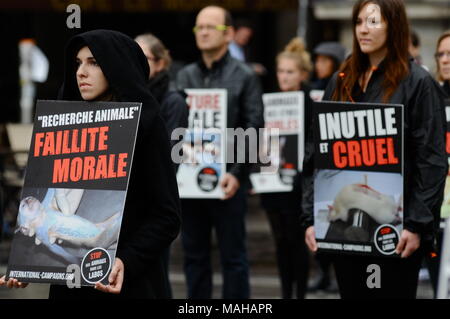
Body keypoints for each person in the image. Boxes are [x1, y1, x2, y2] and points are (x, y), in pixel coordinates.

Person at [0, 29, 181, 298]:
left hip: (126, 284)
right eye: (78, 63)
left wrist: (126, 260)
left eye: (94, 63)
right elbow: (46, 201)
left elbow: (166, 216)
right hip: (70, 286)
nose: (81, 72)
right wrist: (30, 267)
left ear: (117, 67)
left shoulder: (147, 125)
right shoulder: (62, 126)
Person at [301, 0, 447, 299]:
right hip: (345, 230)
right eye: (358, 22)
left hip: (394, 231)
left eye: (373, 22)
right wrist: (311, 217)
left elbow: (431, 161)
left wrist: (416, 225)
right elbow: (317, 153)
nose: (363, 30)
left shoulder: (418, 82)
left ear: (393, 26)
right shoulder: (342, 79)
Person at [176, 6, 264, 299]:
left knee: (233, 258)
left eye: (209, 27)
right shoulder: (185, 76)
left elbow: (254, 128)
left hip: (228, 181)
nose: (202, 32)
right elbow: (175, 127)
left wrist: (237, 174)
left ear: (228, 35)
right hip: (190, 183)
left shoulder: (245, 76)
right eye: (198, 27)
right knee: (194, 256)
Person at [135, 32, 188, 298]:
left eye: (143, 58)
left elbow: (171, 158)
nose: (137, 63)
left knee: (156, 276)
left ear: (160, 63)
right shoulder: (127, 96)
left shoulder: (172, 100)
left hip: (155, 203)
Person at [259, 37, 311, 299]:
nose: (284, 77)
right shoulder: (268, 102)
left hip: (299, 184)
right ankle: (285, 293)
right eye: (281, 71)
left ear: (302, 74)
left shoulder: (310, 103)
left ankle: (299, 293)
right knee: (280, 241)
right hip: (272, 181)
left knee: (296, 241)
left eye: (290, 72)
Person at [308, 41, 346, 292]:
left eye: (325, 60)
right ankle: (323, 272)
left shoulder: (341, 86)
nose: (318, 65)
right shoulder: (310, 88)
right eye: (317, 59)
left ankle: (333, 273)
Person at [423, 29, 450, 297]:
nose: (444, 59)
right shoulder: (430, 97)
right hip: (436, 208)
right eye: (440, 54)